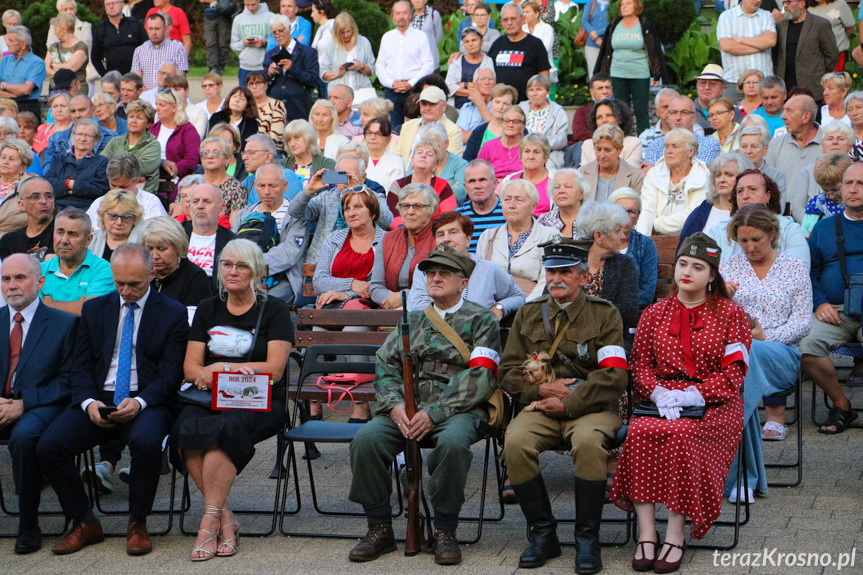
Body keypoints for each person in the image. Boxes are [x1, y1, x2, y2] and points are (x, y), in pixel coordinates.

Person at [348, 243, 500, 566]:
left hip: (457, 408)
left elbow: (482, 377)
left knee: (453, 444)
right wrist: (394, 406)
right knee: (366, 440)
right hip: (409, 408)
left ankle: (445, 530)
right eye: (431, 272)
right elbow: (385, 364)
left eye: (445, 272)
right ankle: (379, 527)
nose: (436, 277)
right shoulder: (412, 320)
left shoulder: (482, 320)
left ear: (464, 282)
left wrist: (435, 412)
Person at [611, 233, 751, 571]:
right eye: (683, 264)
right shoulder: (655, 313)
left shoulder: (732, 315)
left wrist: (694, 394)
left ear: (712, 275)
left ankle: (676, 533)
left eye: (698, 267)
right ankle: (647, 533)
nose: (687, 272)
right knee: (640, 431)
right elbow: (640, 365)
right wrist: (659, 392)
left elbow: (735, 373)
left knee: (682, 435)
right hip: (659, 401)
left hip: (714, 405)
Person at [38, 243, 188, 556]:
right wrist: (87, 402)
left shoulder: (171, 312)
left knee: (147, 444)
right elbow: (78, 366)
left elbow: (171, 373)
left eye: (135, 284)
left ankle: (138, 524)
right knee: (50, 446)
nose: (126, 290)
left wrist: (141, 402)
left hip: (146, 399)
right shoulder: (95, 308)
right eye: (119, 283)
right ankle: (84, 521)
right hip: (98, 397)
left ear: (151, 274)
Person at [497, 237, 627, 572]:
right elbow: (508, 372)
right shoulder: (529, 314)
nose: (556, 278)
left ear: (584, 277)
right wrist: (542, 392)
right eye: (551, 271)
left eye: (565, 272)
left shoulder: (604, 314)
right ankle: (543, 534)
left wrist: (569, 404)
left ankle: (587, 538)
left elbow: (614, 376)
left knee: (587, 443)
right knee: (515, 441)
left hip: (591, 408)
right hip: (540, 406)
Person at [176, 238, 291, 561]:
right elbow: (189, 369)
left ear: (256, 272)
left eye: (242, 265)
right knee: (186, 430)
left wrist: (221, 368)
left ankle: (208, 522)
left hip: (259, 401)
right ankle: (225, 519)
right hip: (207, 398)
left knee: (219, 434)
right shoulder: (208, 308)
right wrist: (210, 373)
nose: (233, 271)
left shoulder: (274, 310)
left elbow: (275, 370)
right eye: (227, 264)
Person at [719, 203, 811, 503]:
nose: (749, 247)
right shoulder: (728, 268)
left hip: (781, 353)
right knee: (743, 380)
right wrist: (722, 299)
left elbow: (802, 322)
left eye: (756, 239)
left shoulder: (794, 266)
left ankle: (724, 470)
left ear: (772, 234)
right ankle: (746, 477)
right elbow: (711, 318)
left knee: (750, 354)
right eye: (743, 240)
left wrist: (764, 336)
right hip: (736, 359)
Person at [0, 254, 78, 555]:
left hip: (43, 406)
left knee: (23, 437)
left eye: (20, 278)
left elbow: (69, 382)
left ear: (40, 281)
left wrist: (23, 404)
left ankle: (28, 523)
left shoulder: (64, 324)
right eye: (6, 279)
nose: (12, 285)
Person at [802, 162, 863, 433]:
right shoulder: (823, 229)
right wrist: (820, 303)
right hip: (835, 311)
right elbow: (809, 273)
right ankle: (841, 405)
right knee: (805, 344)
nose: (853, 189)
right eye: (849, 183)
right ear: (840, 187)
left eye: (861, 184)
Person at [408, 210, 524, 319]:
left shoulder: (488, 270)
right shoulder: (424, 269)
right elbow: (415, 305)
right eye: (440, 234)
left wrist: (499, 308)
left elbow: (518, 297)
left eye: (453, 232)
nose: (446, 239)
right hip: (435, 335)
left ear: (468, 239)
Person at [232, 164, 308, 303]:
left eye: (272, 186)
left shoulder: (295, 215)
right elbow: (232, 246)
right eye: (261, 186)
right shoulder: (244, 214)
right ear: (255, 185)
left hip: (283, 278)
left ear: (284, 186)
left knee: (260, 302)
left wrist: (251, 265)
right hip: (243, 275)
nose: (266, 191)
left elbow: (289, 252)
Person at [707, 168, 811, 267]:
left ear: (767, 196)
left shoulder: (789, 230)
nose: (745, 196)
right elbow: (706, 271)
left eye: (752, 189)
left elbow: (800, 270)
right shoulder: (718, 233)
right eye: (740, 191)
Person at [476, 179, 554, 301]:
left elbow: (547, 280)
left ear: (533, 206)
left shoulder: (549, 236)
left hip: (533, 307)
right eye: (507, 199)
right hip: (492, 307)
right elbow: (480, 280)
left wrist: (525, 307)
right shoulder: (487, 236)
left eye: (519, 200)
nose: (511, 205)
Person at [594, 0, 664, 133]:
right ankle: (622, 141)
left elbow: (653, 49)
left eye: (628, 3)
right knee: (620, 112)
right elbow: (607, 50)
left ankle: (644, 141)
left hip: (640, 73)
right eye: (622, 4)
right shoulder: (615, 24)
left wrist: (656, 73)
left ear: (636, 6)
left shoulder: (644, 24)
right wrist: (603, 73)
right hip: (617, 73)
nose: (624, 6)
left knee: (641, 111)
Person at [313, 184, 386, 307]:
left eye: (358, 207)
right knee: (319, 325)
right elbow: (319, 281)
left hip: (370, 307)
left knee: (355, 323)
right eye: (347, 209)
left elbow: (381, 285)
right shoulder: (334, 239)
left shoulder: (386, 240)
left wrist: (347, 295)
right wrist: (352, 284)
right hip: (331, 305)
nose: (351, 213)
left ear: (373, 213)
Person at [369, 183, 438, 309]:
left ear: (430, 210)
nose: (410, 212)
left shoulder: (440, 239)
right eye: (405, 206)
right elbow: (375, 287)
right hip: (392, 310)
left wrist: (403, 297)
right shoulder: (387, 239)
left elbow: (443, 288)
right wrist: (391, 300)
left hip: (429, 312)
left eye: (417, 206)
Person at [40, 208, 116, 317]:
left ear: (88, 240)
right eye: (60, 232)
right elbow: (30, 311)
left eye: (73, 234)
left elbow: (91, 310)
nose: (64, 240)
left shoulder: (104, 270)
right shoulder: (39, 270)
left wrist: (48, 304)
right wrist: (77, 306)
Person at [576, 201, 640, 330]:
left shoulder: (624, 264)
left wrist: (585, 313)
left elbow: (630, 311)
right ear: (599, 236)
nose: (622, 237)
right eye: (617, 231)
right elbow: (552, 300)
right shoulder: (572, 261)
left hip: (611, 335)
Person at [637, 128, 711, 237]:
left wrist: (656, 224)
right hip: (655, 238)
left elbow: (694, 214)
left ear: (690, 152)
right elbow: (646, 209)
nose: (669, 151)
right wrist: (642, 241)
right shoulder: (654, 173)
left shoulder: (702, 175)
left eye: (675, 146)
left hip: (691, 239)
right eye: (666, 146)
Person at [376, 1, 434, 131]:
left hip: (414, 90)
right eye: (398, 13)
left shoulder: (421, 37)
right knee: (393, 128)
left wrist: (411, 83)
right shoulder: (387, 37)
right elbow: (380, 64)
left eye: (404, 13)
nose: (401, 16)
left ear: (411, 15)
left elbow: (428, 65)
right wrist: (391, 83)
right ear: (392, 16)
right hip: (392, 90)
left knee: (417, 127)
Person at [679, 152, 755, 248]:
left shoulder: (751, 210)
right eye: (718, 175)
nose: (722, 180)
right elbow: (684, 248)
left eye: (729, 174)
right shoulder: (702, 211)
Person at [765, 95, 823, 210]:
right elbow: (767, 184)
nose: (782, 116)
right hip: (782, 217)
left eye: (789, 111)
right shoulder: (775, 145)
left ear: (806, 117)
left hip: (818, 216)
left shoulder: (830, 144)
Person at [789, 122, 854, 223]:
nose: (835, 142)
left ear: (850, 147)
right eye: (830, 139)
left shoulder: (858, 172)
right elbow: (797, 207)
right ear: (823, 147)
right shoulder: (807, 172)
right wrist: (814, 228)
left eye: (841, 138)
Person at [774, 0, 838, 101]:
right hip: (785, 86)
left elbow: (832, 54)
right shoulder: (780, 26)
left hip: (811, 86)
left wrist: (819, 74)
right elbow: (775, 55)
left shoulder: (820, 24)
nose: (785, 5)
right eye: (784, 2)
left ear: (801, 3)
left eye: (788, 2)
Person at [488, 3, 550, 104]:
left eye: (513, 19)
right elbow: (486, 67)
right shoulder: (498, 43)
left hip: (528, 104)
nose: (509, 23)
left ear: (523, 19)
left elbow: (544, 76)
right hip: (501, 105)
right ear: (502, 22)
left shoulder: (536, 44)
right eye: (505, 20)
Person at [142, 216, 212, 305]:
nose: (155, 256)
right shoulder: (141, 274)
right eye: (149, 248)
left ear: (178, 247)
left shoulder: (195, 277)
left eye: (161, 249)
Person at [642, 96, 722, 172]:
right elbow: (649, 176)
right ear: (669, 117)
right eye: (674, 112)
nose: (678, 117)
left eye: (684, 112)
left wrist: (658, 170)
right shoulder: (655, 146)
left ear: (694, 118)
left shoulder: (709, 145)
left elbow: (702, 176)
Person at [716, 0, 776, 101]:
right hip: (734, 82)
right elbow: (727, 46)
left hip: (764, 82)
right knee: (732, 115)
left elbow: (770, 42)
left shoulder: (767, 16)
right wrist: (760, 45)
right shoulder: (726, 16)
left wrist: (741, 40)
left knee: (764, 116)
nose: (758, 1)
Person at [45, 119, 111, 211]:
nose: (82, 139)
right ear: (73, 136)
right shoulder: (58, 158)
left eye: (88, 135)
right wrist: (71, 185)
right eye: (79, 134)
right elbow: (48, 184)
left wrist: (68, 184)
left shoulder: (103, 162)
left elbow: (98, 189)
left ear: (96, 140)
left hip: (86, 209)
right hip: (57, 207)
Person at [609, 188, 659, 309]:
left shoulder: (645, 245)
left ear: (638, 216)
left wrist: (618, 308)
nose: (625, 216)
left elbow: (647, 292)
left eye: (632, 211)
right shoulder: (599, 240)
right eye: (620, 210)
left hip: (632, 313)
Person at [388, 141, 456, 228]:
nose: (423, 156)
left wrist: (424, 231)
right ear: (412, 161)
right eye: (420, 152)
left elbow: (449, 218)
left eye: (429, 154)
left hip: (433, 235)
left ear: (435, 165)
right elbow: (392, 217)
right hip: (402, 233)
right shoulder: (398, 185)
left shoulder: (443, 186)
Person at [265, 15, 320, 123]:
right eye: (274, 33)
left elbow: (313, 81)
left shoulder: (308, 52)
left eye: (280, 31)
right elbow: (262, 82)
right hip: (274, 110)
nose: (278, 35)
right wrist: (269, 73)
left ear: (289, 29)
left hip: (299, 108)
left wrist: (293, 69)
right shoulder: (270, 54)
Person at [102, 100, 160, 194]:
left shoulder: (153, 145)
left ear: (148, 123)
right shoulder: (115, 141)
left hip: (142, 195)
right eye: (131, 117)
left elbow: (142, 168)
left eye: (139, 118)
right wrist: (132, 173)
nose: (134, 121)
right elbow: (102, 164)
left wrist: (114, 169)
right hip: (113, 193)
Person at [394, 86, 464, 164]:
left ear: (444, 106)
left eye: (432, 104)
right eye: (424, 104)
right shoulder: (408, 126)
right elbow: (397, 157)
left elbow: (451, 165)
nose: (427, 108)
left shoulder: (454, 131)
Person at [184, 184, 237, 281]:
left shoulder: (232, 242)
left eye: (207, 201)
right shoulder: (175, 234)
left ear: (221, 209)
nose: (200, 206)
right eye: (195, 201)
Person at [151, 88, 201, 189]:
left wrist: (170, 171)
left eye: (161, 105)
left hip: (178, 181)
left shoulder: (188, 130)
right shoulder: (153, 129)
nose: (157, 108)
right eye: (156, 104)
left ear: (174, 108)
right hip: (152, 179)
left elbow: (191, 160)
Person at [495, 133, 554, 215]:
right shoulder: (508, 181)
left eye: (536, 152)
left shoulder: (556, 180)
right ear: (520, 156)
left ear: (545, 157)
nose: (531, 156)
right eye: (527, 151)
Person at [580, 125, 644, 200]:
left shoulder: (635, 176)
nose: (602, 155)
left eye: (607, 150)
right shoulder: (582, 173)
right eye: (598, 149)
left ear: (620, 149)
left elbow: (635, 209)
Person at [0, 178, 56, 261]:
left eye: (48, 196)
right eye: (35, 197)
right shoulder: (9, 241)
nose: (43, 201)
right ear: (22, 205)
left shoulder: (62, 233)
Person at [517, 75, 566, 169]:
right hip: (522, 153)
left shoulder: (558, 111)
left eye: (539, 89)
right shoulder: (521, 107)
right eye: (531, 90)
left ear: (548, 91)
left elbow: (562, 139)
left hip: (548, 155)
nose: (534, 93)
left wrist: (539, 144)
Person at [320, 13, 375, 95]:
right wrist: (338, 74)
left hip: (362, 92)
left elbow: (372, 70)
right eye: (342, 33)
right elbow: (323, 73)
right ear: (337, 32)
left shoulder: (364, 42)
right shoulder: (331, 46)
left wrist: (361, 67)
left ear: (353, 28)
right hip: (339, 94)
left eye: (348, 31)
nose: (346, 35)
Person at [457, 159, 506, 252]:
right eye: (472, 181)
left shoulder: (509, 211)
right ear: (465, 187)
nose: (477, 186)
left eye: (482, 180)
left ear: (495, 184)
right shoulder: (458, 216)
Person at [131, 14, 189, 91]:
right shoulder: (139, 50)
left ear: (165, 28)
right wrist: (147, 94)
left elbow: (180, 78)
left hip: (170, 95)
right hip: (146, 97)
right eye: (150, 29)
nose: (154, 32)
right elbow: (137, 79)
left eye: (157, 29)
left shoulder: (178, 49)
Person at [580, 98, 643, 169]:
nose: (604, 120)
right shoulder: (587, 145)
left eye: (609, 115)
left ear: (620, 119)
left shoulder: (633, 143)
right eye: (599, 117)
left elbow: (632, 174)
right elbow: (584, 175)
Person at [92, 0, 147, 77]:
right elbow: (95, 57)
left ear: (122, 4)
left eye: (114, 3)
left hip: (136, 76)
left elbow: (146, 48)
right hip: (113, 79)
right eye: (108, 4)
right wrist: (105, 75)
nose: (111, 6)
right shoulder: (101, 28)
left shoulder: (134, 24)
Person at [0, 27, 46, 118]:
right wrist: (16, 94)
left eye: (11, 41)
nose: (7, 44)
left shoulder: (37, 63)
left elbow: (26, 90)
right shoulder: (4, 61)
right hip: (4, 106)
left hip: (27, 108)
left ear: (23, 44)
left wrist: (4, 85)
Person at [463, 84, 517, 162]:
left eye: (505, 104)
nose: (500, 107)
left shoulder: (519, 131)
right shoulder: (478, 132)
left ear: (512, 106)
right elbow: (467, 161)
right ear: (491, 103)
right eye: (497, 102)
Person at [241, 134, 303, 201]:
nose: (243, 157)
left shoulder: (285, 176)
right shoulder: (250, 180)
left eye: (251, 153)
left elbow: (285, 209)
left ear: (268, 156)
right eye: (244, 153)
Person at [88, 190, 144, 261]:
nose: (119, 222)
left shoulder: (143, 244)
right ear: (102, 215)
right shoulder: (90, 242)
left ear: (134, 218)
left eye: (125, 217)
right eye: (113, 216)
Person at [801, 154, 850, 237]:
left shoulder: (857, 207)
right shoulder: (814, 207)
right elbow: (802, 240)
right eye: (825, 190)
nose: (830, 196)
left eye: (835, 190)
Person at [446, 28, 494, 111]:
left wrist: (460, 85)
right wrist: (468, 86)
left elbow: (487, 88)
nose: (470, 44)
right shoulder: (456, 60)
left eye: (474, 40)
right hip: (455, 107)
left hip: (479, 108)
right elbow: (448, 87)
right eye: (466, 41)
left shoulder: (488, 61)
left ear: (481, 42)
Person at [737, 125, 787, 204]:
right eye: (744, 146)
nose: (748, 151)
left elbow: (779, 208)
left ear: (765, 149)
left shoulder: (777, 175)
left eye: (754, 146)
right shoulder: (732, 173)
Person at [230, 0, 274, 86]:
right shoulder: (239, 19)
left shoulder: (271, 17)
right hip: (245, 68)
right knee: (246, 97)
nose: (250, 8)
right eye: (247, 5)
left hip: (265, 67)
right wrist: (243, 43)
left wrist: (264, 43)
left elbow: (278, 43)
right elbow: (233, 45)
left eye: (253, 4)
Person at [283, 119, 336, 189]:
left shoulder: (327, 165)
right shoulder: (281, 166)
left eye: (297, 138)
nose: (292, 144)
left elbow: (334, 192)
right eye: (289, 140)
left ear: (309, 138)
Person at [478, 105, 527, 179]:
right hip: (492, 187)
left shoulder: (528, 147)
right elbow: (478, 172)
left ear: (523, 127)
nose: (510, 125)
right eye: (507, 120)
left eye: (515, 121)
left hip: (519, 186)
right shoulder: (489, 146)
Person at [537, 168, 587, 239]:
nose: (561, 191)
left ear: (581, 194)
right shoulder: (544, 221)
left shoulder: (592, 220)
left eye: (568, 186)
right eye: (557, 187)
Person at [809, 0, 854, 71]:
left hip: (837, 53)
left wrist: (836, 40)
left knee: (835, 80)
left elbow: (850, 27)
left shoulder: (840, 4)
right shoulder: (807, 8)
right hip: (814, 54)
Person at [0, 138, 31, 238]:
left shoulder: (30, 187)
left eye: (11, 159)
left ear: (23, 167)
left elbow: (20, 219)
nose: (5, 162)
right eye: (3, 157)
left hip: (7, 241)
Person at [364, 117, 404, 192]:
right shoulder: (358, 159)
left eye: (378, 134)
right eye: (369, 133)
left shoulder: (397, 161)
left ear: (388, 139)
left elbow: (395, 193)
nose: (372, 137)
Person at [571, 73, 613, 145]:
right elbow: (579, 133)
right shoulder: (582, 111)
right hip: (586, 144)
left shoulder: (619, 110)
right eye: (600, 88)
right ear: (592, 92)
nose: (605, 91)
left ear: (611, 89)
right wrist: (603, 138)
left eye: (607, 87)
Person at [455, 68, 496, 140]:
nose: (487, 82)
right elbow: (460, 136)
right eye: (482, 79)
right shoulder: (467, 107)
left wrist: (480, 104)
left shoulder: (500, 106)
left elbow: (495, 132)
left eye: (490, 79)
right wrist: (485, 135)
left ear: (495, 84)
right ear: (475, 85)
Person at [310, 0, 337, 98]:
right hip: (320, 74)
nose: (311, 15)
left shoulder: (333, 27)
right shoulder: (321, 29)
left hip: (331, 75)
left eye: (313, 11)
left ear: (322, 12)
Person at [201, 0, 234, 76]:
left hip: (224, 14)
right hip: (209, 15)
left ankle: (221, 66)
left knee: (223, 43)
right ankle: (213, 67)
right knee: (210, 43)